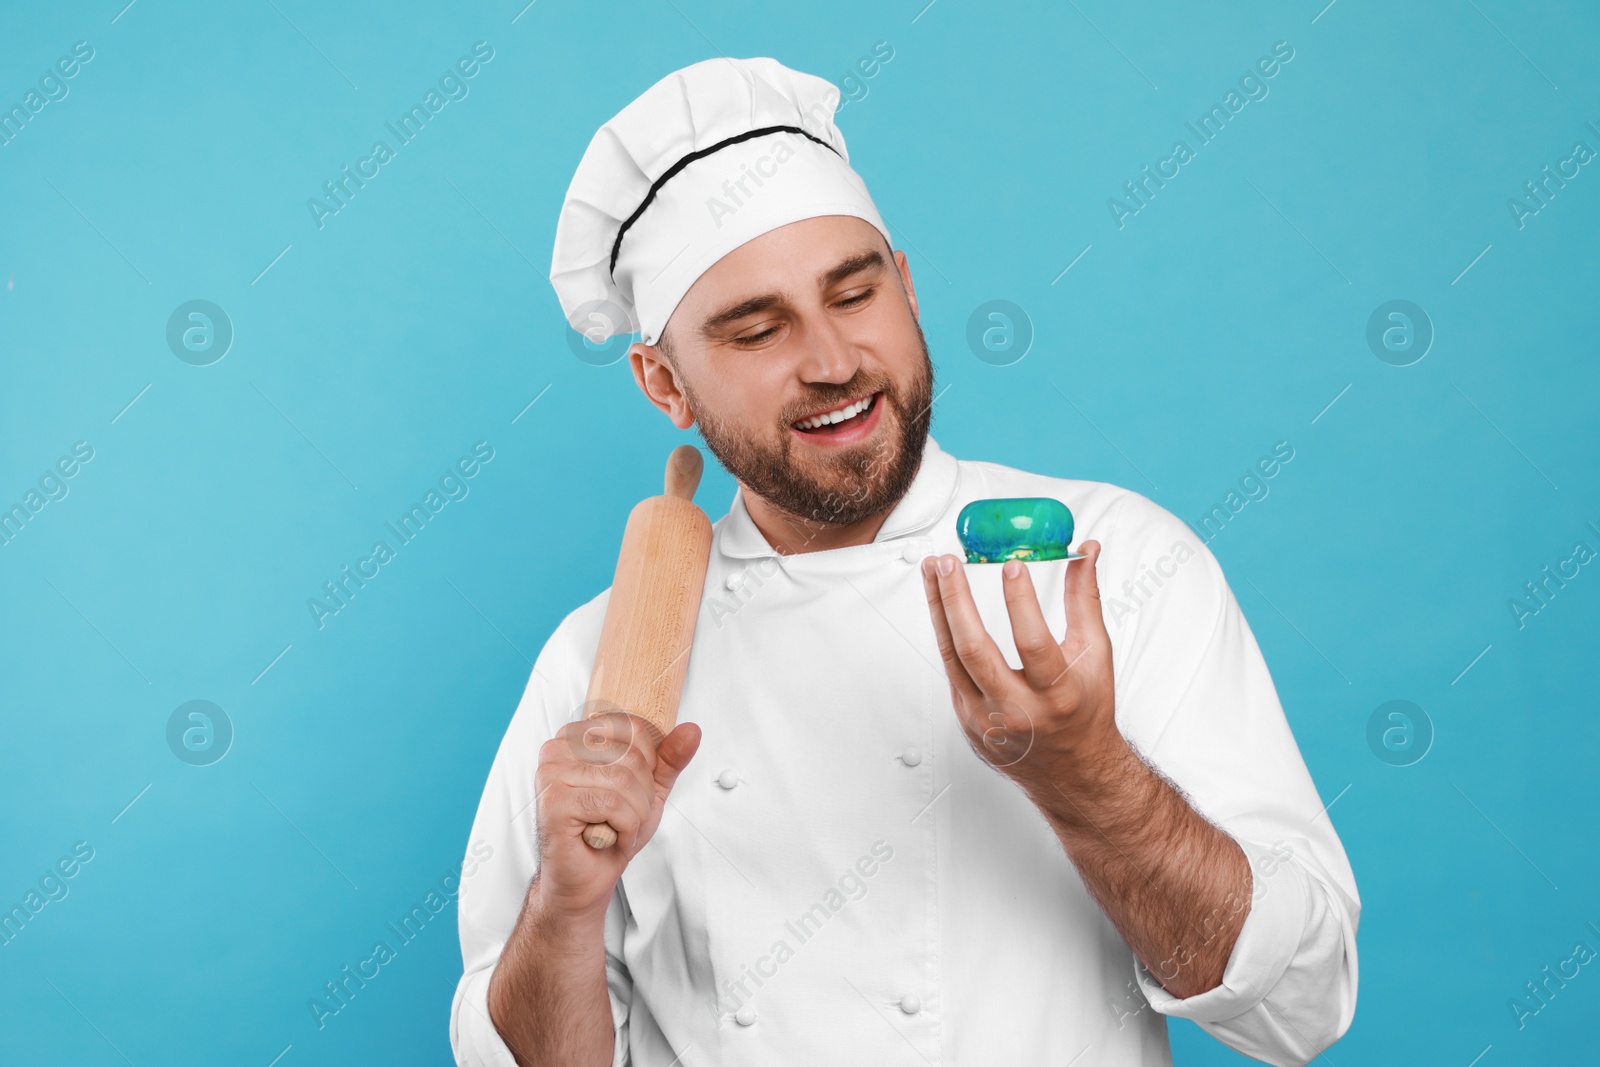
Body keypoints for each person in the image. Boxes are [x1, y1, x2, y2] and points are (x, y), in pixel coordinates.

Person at [450, 56, 1358, 1067]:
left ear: (909, 287)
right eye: (757, 329)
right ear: (664, 383)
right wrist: (564, 908)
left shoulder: (1112, 562)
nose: (833, 359)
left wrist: (1088, 778)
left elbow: (1300, 1007)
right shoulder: (600, 662)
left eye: (855, 292)